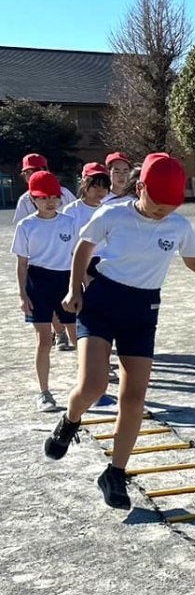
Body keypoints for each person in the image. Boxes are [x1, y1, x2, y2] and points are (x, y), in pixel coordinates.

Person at [42, 153, 195, 509]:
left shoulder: (178, 226)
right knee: (93, 385)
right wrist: (74, 288)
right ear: (140, 188)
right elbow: (83, 247)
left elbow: (193, 260)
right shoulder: (113, 214)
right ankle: (70, 419)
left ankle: (114, 473)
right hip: (101, 303)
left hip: (142, 311)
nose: (163, 214)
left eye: (170, 208)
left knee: (134, 398)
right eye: (157, 206)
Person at [11, 171, 78, 411]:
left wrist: (78, 286)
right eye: (42, 197)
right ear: (32, 200)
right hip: (38, 283)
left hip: (66, 282)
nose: (49, 202)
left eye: (54, 196)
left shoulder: (69, 222)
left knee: (79, 338)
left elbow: (76, 257)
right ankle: (44, 393)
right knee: (43, 342)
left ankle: (89, 389)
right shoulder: (26, 225)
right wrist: (22, 295)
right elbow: (21, 264)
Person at [11, 152, 77, 223]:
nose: (31, 175)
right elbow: (20, 225)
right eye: (27, 172)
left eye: (35, 171)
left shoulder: (64, 193)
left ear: (46, 171)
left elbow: (78, 216)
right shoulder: (24, 199)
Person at [61, 162, 112, 230]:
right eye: (95, 186)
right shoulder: (72, 210)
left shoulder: (110, 211)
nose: (100, 191)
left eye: (104, 187)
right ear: (83, 183)